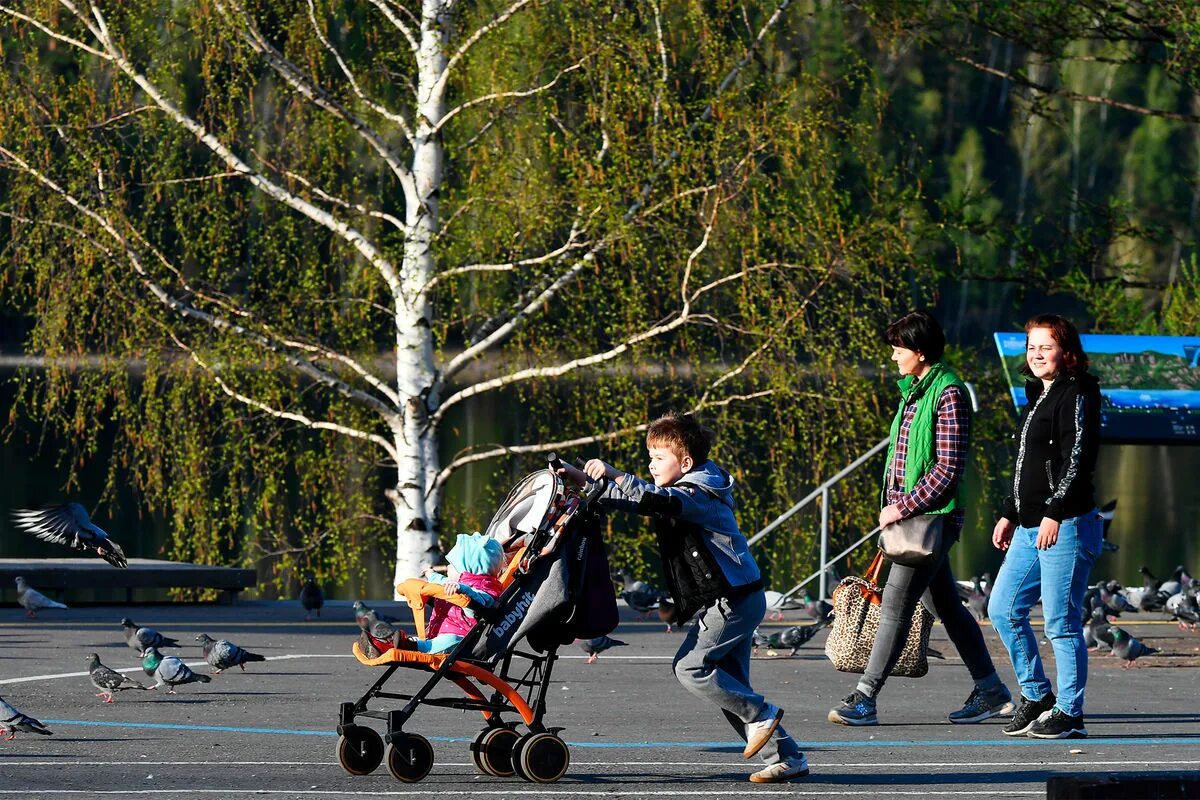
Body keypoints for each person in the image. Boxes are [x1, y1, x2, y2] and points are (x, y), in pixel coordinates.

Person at [558, 413, 809, 784]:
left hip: (734, 601)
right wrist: (581, 480)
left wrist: (613, 473)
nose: (650, 463)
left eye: (658, 458)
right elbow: (641, 501)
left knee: (691, 668)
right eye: (650, 457)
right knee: (727, 687)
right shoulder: (683, 491)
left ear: (686, 463)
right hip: (734, 599)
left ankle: (762, 713)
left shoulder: (699, 494)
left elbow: (653, 498)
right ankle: (788, 757)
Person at [828, 310, 1013, 726]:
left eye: (898, 351)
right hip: (910, 522)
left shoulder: (948, 392)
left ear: (920, 351)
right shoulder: (914, 390)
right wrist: (893, 507)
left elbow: (948, 469)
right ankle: (991, 691)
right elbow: (904, 459)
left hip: (932, 519)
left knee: (895, 605)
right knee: (945, 603)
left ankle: (864, 698)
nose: (893, 358)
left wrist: (902, 507)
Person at [988, 314, 1102, 739]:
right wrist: (1009, 511)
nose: (1036, 354)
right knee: (1002, 608)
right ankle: (1037, 696)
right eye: (1031, 346)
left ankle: (1071, 713)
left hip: (1067, 524)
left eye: (1046, 346)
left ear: (1065, 351)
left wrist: (1054, 510)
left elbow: (1077, 461)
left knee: (1061, 622)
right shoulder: (1039, 392)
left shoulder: (1078, 394)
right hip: (1029, 525)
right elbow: (1027, 465)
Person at [367, 532, 505, 655]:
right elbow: (443, 582)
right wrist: (431, 575)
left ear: (468, 570)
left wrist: (463, 589)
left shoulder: (484, 588)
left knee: (449, 641)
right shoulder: (459, 583)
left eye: (453, 565)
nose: (448, 567)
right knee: (421, 641)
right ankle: (385, 646)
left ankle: (406, 646)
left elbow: (482, 602)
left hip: (462, 640)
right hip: (439, 632)